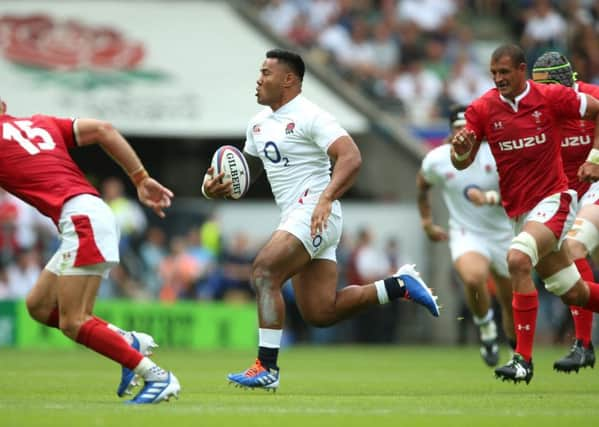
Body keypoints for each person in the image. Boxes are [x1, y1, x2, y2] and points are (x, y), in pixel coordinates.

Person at [201, 48, 440, 391]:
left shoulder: (312, 116)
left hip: (316, 212)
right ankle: (398, 285)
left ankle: (266, 367)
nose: (258, 78)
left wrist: (326, 198)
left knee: (264, 270)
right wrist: (215, 188)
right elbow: (246, 177)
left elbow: (351, 157)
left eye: (266, 73)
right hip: (300, 217)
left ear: (288, 80)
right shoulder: (257, 124)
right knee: (320, 312)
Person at [0, 98, 180, 403]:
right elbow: (103, 129)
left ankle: (156, 376)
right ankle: (128, 341)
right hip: (89, 212)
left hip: (82, 221)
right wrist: (140, 178)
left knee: (73, 320)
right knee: (40, 306)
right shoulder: (40, 123)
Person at [450, 44, 599, 384]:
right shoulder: (483, 108)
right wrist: (460, 152)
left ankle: (522, 360)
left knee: (517, 259)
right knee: (573, 291)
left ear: (521, 70)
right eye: (494, 73)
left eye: (505, 72)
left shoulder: (549, 97)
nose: (499, 79)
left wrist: (596, 158)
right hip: (520, 210)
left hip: (556, 199)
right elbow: (464, 160)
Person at [417, 104, 515, 367]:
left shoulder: (495, 153)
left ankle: (519, 353)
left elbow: (520, 190)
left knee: (511, 301)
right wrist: (427, 221)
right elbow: (422, 186)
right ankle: (486, 331)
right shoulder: (437, 159)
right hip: (466, 231)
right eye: (458, 129)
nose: (463, 135)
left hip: (504, 232)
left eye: (467, 129)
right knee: (473, 277)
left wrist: (489, 198)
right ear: (450, 132)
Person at [532, 51, 599, 373]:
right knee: (564, 267)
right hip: (570, 200)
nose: (537, 92)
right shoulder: (539, 111)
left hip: (596, 189)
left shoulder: (592, 97)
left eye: (543, 86)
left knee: (572, 249)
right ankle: (584, 344)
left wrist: (596, 157)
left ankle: (583, 343)